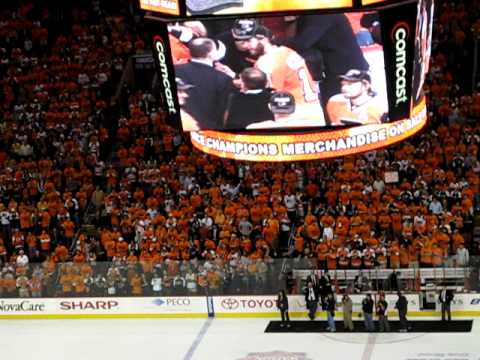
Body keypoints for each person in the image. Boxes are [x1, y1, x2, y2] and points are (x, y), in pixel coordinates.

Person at [245, 25, 325, 126]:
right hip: (315, 110)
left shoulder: (266, 61)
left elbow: (267, 94)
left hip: (292, 114)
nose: (246, 46)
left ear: (263, 39)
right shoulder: (287, 50)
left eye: (249, 41)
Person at [175, 37, 234, 130]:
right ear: (210, 53)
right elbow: (224, 109)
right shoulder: (223, 79)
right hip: (209, 130)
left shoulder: (174, 69)